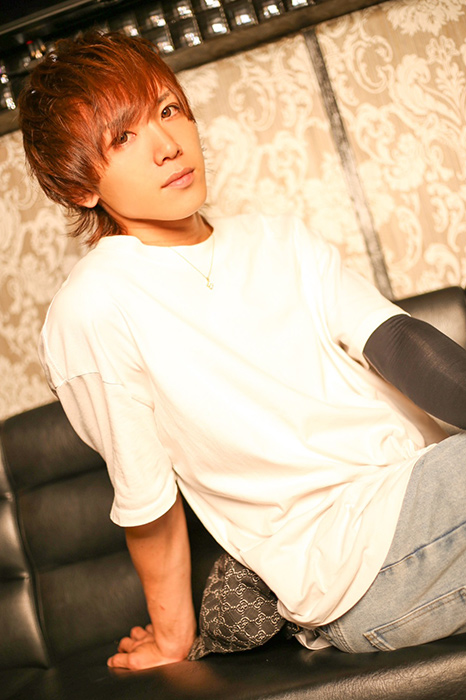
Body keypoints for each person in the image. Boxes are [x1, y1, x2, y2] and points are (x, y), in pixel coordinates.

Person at [19, 30, 466, 671]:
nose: (168, 145)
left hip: (428, 491)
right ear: (79, 186)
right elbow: (147, 498)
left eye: (169, 109)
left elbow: (394, 340)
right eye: (124, 137)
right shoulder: (93, 307)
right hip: (353, 562)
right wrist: (172, 641)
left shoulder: (278, 238)